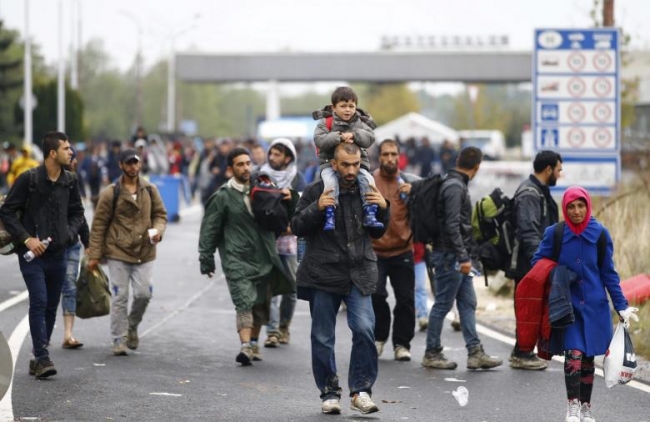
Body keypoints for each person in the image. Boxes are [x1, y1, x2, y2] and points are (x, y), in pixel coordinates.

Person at [290, 142, 389, 415]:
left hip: (359, 273)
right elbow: (297, 225)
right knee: (323, 337)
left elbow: (379, 232)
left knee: (365, 329)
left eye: (356, 164)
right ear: (334, 164)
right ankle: (329, 393)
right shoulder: (315, 190)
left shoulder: (367, 188)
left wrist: (383, 207)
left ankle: (361, 391)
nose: (351, 170)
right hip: (323, 273)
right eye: (345, 164)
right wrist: (317, 208)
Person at [531, 186, 638, 422]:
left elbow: (609, 273)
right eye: (571, 206)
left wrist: (621, 305)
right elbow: (538, 261)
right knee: (574, 354)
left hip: (594, 307)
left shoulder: (600, 234)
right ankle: (572, 407)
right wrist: (557, 273)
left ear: (587, 206)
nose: (577, 211)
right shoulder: (555, 233)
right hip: (567, 306)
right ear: (565, 208)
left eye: (581, 205)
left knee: (588, 359)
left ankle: (587, 408)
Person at [198, 147, 295, 365]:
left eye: (247, 163)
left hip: (264, 256)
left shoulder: (263, 189)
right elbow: (209, 230)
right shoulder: (222, 197)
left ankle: (252, 343)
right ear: (230, 169)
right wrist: (206, 259)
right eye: (240, 164)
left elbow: (285, 214)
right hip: (236, 259)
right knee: (244, 301)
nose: (245, 168)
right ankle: (244, 346)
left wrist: (291, 198)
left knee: (260, 305)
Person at [0, 131, 85, 378]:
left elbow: (78, 213)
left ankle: (39, 355)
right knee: (39, 299)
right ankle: (43, 357)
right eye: (66, 148)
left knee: (50, 305)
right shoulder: (29, 179)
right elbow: (6, 212)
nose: (71, 152)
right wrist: (28, 239)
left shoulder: (70, 180)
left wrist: (67, 235)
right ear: (52, 153)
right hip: (31, 254)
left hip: (58, 253)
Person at [421, 146, 503, 370]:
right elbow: (452, 224)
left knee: (468, 303)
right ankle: (432, 352)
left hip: (455, 255)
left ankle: (475, 352)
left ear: (458, 160)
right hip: (451, 256)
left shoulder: (452, 182)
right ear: (477, 166)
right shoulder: (455, 187)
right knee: (443, 305)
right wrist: (463, 256)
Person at [87, 149, 168, 356]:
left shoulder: (150, 190)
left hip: (145, 251)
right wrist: (94, 255)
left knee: (143, 294)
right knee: (120, 296)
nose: (133, 166)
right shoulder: (110, 193)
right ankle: (118, 338)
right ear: (121, 166)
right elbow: (98, 225)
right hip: (118, 251)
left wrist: (158, 231)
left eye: (136, 163)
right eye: (129, 163)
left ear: (140, 165)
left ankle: (131, 326)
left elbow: (160, 215)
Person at [509, 150, 563, 370]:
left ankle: (522, 350)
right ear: (548, 169)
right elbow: (529, 232)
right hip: (529, 263)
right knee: (528, 309)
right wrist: (538, 263)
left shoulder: (538, 191)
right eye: (558, 170)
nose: (559, 175)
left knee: (531, 308)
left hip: (535, 262)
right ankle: (522, 353)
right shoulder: (531, 194)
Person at [313, 86, 383, 231]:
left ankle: (370, 213)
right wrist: (338, 137)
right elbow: (319, 140)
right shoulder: (326, 122)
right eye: (343, 106)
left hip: (358, 165)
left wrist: (355, 135)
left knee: (369, 181)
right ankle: (330, 214)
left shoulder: (360, 122)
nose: (347, 110)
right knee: (330, 184)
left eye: (351, 106)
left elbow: (370, 137)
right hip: (329, 164)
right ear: (334, 107)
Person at [370, 139, 415, 362]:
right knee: (376, 295)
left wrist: (414, 193)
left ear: (399, 156)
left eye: (393, 154)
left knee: (406, 299)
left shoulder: (408, 180)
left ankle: (402, 344)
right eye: (385, 154)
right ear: (379, 157)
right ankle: (379, 337)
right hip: (375, 250)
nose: (390, 158)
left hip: (403, 249)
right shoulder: (369, 180)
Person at [259, 138, 306, 347]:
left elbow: (307, 207)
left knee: (290, 288)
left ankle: (285, 325)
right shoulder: (261, 176)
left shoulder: (298, 179)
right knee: (270, 288)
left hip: (290, 242)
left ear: (288, 157)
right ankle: (272, 331)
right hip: (268, 241)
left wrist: (292, 197)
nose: (272, 158)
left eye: (278, 155)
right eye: (272, 153)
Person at [60, 147, 91, 350]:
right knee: (46, 292)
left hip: (70, 244)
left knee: (70, 285)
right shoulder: (39, 180)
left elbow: (79, 214)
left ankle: (68, 334)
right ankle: (41, 340)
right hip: (47, 245)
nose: (72, 158)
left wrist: (88, 243)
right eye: (68, 154)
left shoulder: (72, 182)